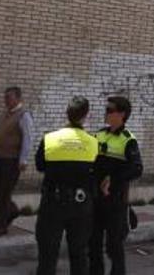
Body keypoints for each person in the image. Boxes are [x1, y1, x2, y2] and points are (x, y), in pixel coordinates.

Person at [35, 96, 99, 275]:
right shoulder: (93, 142)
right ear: (86, 115)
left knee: (47, 255)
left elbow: (40, 166)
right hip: (81, 205)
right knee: (79, 255)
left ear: (67, 113)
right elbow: (96, 171)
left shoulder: (50, 139)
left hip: (52, 203)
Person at [90, 97, 143, 275]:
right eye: (106, 108)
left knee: (114, 246)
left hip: (115, 202)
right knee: (93, 244)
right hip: (96, 200)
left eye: (110, 110)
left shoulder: (128, 140)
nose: (106, 112)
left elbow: (136, 168)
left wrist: (114, 178)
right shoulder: (99, 135)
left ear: (121, 114)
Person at [0, 86, 34, 237]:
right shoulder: (7, 114)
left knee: (5, 193)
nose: (5, 100)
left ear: (18, 98)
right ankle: (11, 210)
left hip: (12, 161)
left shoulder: (23, 115)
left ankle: (1, 226)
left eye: (9, 97)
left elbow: (28, 138)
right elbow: (1, 136)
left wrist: (23, 160)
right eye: (5, 97)